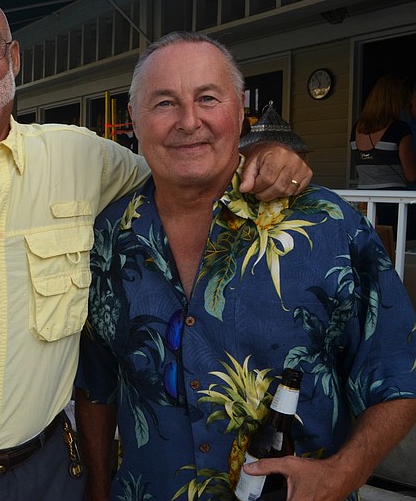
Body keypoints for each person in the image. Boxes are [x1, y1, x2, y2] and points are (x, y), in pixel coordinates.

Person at [0, 0, 310, 501]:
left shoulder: (82, 158)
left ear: (13, 59)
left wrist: (263, 153)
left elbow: (187, 166)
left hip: (44, 473)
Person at [74, 31, 416, 501]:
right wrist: (97, 487)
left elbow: (400, 372)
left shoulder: (325, 225)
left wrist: (344, 474)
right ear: (133, 118)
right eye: (164, 103)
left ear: (239, 112)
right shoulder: (108, 237)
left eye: (207, 98)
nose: (189, 121)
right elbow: (96, 385)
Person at [350, 73, 416, 231]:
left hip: (364, 200)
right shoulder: (399, 129)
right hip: (392, 201)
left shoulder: (357, 129)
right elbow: (411, 174)